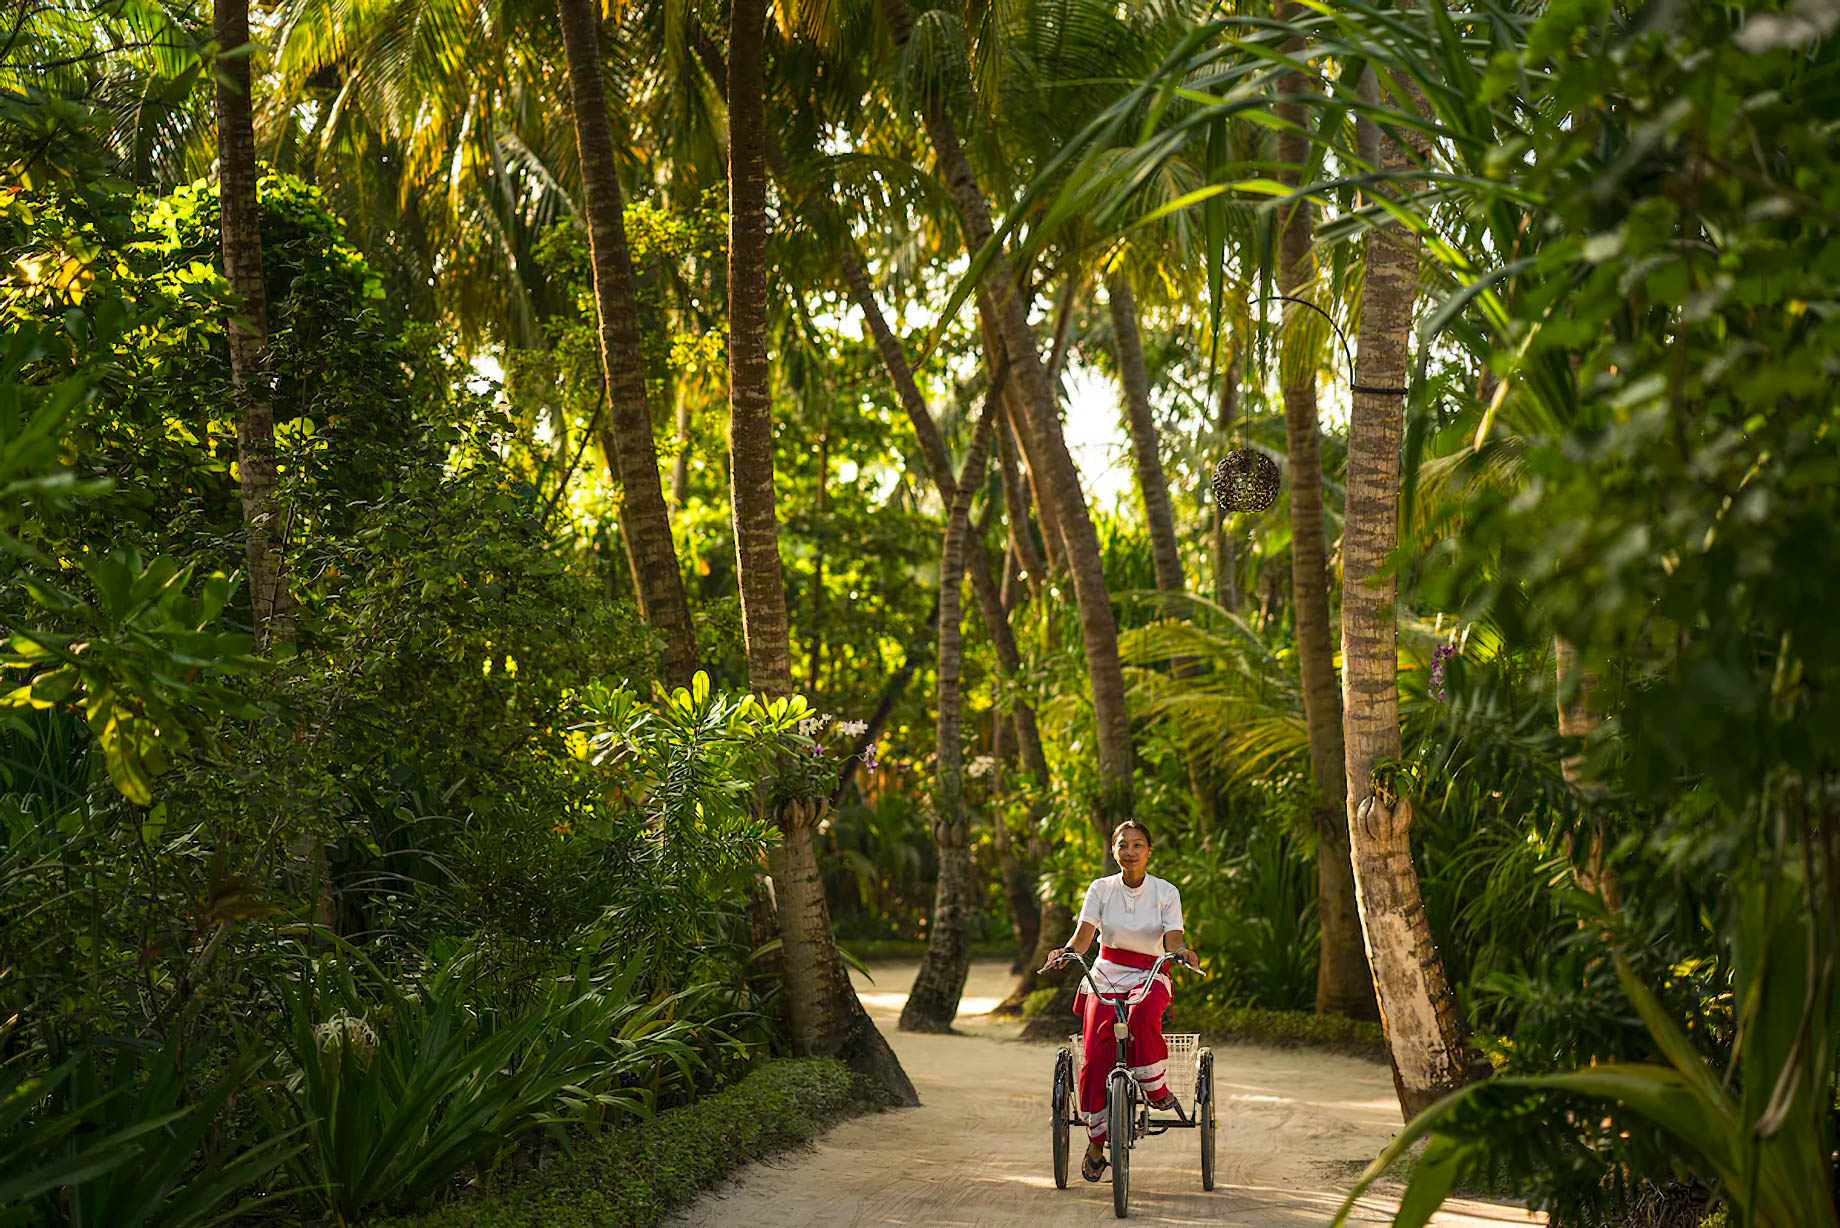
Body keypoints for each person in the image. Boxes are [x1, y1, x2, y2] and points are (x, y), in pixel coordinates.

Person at [1040, 819, 1199, 1183]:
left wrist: (1182, 953)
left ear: (1149, 850)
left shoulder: (1166, 892)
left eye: (1137, 845)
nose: (1129, 851)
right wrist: (1065, 952)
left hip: (1150, 970)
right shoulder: (1100, 889)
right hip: (1106, 970)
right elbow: (1083, 937)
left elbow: (1173, 937)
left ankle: (1155, 1089)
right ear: (1114, 850)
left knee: (1142, 1013)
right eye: (1122, 845)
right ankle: (1097, 1143)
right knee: (1095, 1050)